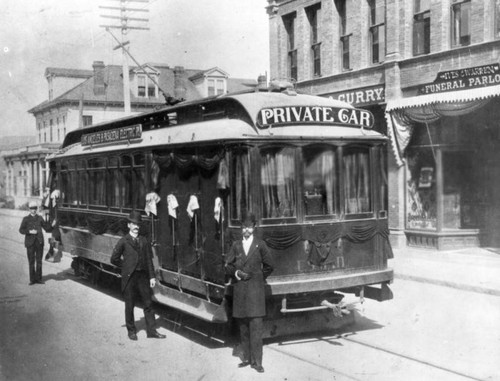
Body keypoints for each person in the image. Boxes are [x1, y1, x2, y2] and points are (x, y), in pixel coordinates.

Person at [225, 214, 274, 373]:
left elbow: (269, 265)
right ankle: (246, 358)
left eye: (249, 227)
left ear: (254, 228)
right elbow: (228, 265)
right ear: (241, 229)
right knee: (243, 328)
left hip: (255, 293)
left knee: (256, 328)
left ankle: (257, 362)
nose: (246, 230)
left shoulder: (260, 245)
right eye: (244, 227)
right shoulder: (236, 245)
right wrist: (237, 274)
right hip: (240, 291)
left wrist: (258, 278)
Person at [110, 210, 166, 341]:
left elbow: (148, 260)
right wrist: (125, 266)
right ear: (128, 225)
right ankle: (131, 331)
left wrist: (152, 277)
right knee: (130, 305)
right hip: (130, 278)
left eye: (138, 225)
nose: (136, 227)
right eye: (133, 224)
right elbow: (114, 259)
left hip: (142, 277)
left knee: (148, 304)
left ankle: (151, 331)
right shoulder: (123, 241)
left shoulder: (144, 240)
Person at [19, 200, 54, 285]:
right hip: (30, 243)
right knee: (31, 261)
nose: (33, 210)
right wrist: (30, 231)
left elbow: (46, 228)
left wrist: (52, 225)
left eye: (35, 208)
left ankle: (38, 279)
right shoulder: (26, 219)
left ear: (37, 209)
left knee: (39, 261)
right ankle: (32, 280)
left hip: (39, 242)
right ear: (29, 209)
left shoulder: (40, 218)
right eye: (32, 208)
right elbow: (21, 230)